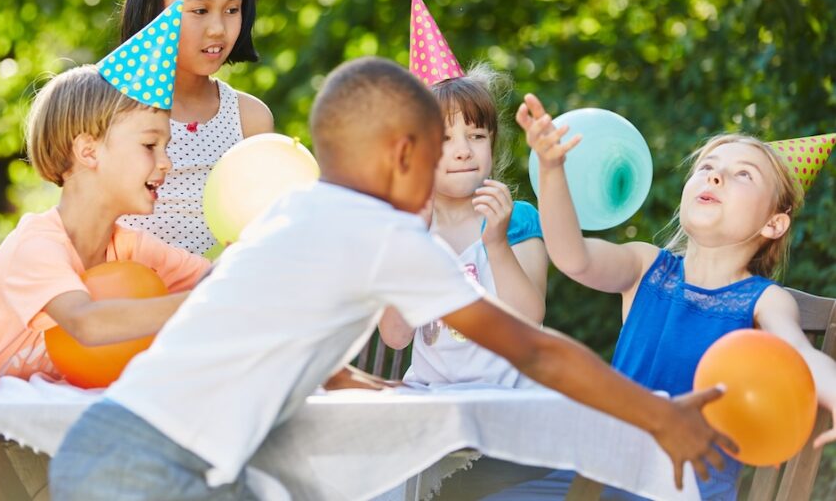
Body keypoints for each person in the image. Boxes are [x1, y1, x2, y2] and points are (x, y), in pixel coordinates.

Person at [49, 57, 728, 501]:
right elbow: (532, 348)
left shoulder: (296, 212)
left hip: (113, 448)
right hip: (152, 473)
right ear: (405, 155)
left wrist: (367, 382)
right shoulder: (385, 235)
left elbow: (280, 342)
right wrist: (657, 415)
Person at [0, 3, 211, 501]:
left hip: (31, 445)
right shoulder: (37, 245)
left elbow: (218, 281)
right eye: (151, 145)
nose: (166, 162)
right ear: (88, 152)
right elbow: (86, 323)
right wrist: (196, 305)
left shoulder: (129, 248)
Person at [483, 94, 836, 500]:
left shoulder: (763, 300)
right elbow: (571, 256)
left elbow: (801, 354)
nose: (715, 177)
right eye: (707, 168)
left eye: (744, 175)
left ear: (774, 223)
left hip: (682, 488)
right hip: (599, 477)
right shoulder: (645, 266)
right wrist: (551, 168)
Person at [378, 0, 552, 499]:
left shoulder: (516, 220)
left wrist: (495, 244)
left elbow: (530, 321)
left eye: (475, 135)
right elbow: (393, 335)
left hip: (504, 410)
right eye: (443, 138)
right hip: (429, 406)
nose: (461, 149)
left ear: (492, 147)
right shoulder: (406, 229)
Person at [117, 0, 274, 256]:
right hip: (129, 304)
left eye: (232, 9)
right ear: (156, 7)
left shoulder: (250, 120)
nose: (219, 29)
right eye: (199, 11)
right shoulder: (110, 108)